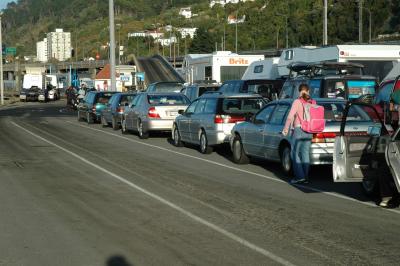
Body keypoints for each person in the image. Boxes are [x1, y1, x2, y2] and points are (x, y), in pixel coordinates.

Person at [282, 84, 314, 184]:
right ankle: (305, 177)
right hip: (309, 131)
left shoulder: (297, 102)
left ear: (299, 91)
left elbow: (290, 117)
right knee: (305, 154)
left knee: (295, 154)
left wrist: (285, 129)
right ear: (308, 91)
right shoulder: (312, 102)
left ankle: (300, 177)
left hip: (299, 130)